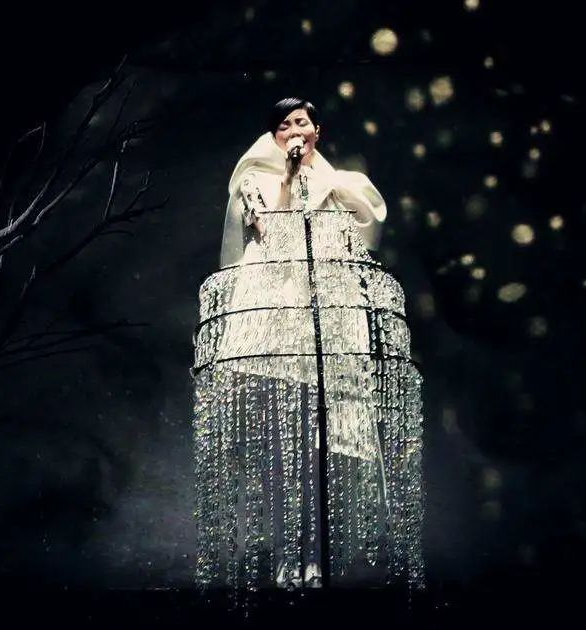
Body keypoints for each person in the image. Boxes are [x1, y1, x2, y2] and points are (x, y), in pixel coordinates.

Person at [192, 98, 425, 593]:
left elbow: (360, 242)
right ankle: (286, 557)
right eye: (284, 125)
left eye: (301, 122)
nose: (293, 130)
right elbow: (267, 231)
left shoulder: (341, 184)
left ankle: (319, 559)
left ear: (317, 129)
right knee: (282, 449)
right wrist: (290, 176)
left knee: (323, 449)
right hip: (276, 314)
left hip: (327, 314)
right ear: (275, 136)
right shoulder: (255, 178)